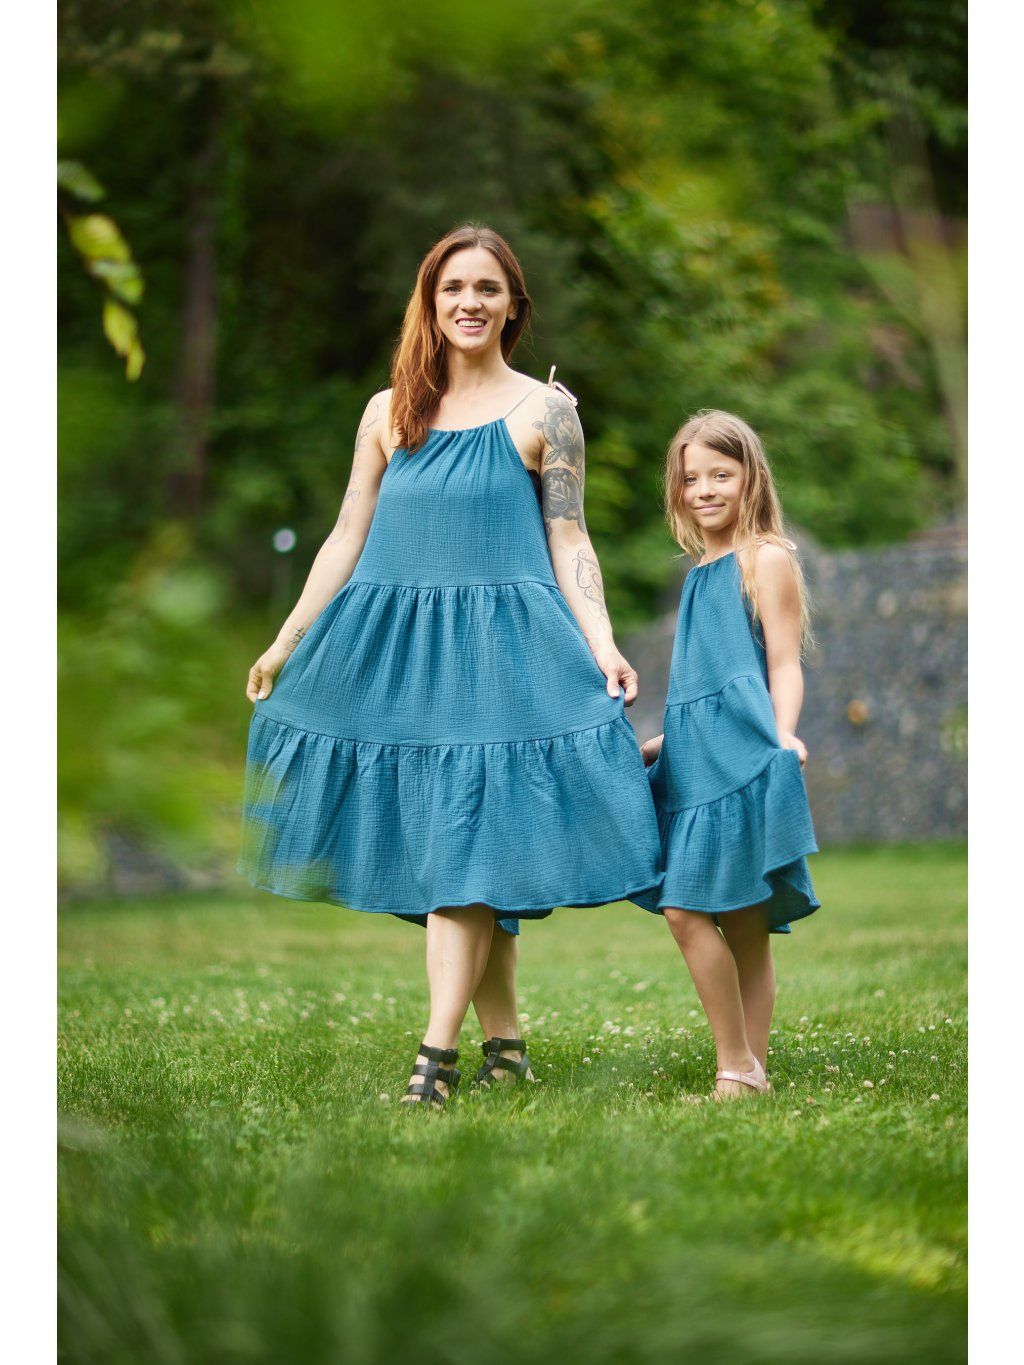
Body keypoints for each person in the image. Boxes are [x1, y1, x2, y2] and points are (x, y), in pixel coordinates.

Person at [239, 224, 661, 1105]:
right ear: (430, 303)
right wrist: (286, 641)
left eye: (487, 288)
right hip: (401, 662)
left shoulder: (548, 414)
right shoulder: (386, 411)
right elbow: (346, 535)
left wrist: (603, 641)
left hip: (505, 658)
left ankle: (434, 1058)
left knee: (465, 849)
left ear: (513, 307)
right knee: (464, 854)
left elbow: (570, 538)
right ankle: (505, 1046)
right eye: (453, 287)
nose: (470, 302)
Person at [633, 410, 820, 1100]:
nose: (705, 489)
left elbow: (783, 664)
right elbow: (704, 684)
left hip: (742, 761)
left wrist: (782, 734)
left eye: (721, 474)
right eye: (692, 479)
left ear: (750, 478)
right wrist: (664, 741)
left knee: (734, 918)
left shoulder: (765, 559)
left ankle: (741, 1068)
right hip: (695, 764)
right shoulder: (697, 575)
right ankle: (743, 1066)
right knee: (692, 911)